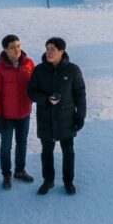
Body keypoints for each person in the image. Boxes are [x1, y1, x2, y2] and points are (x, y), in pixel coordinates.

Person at [27, 37, 86, 196]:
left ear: (61, 51)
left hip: (66, 118)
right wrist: (45, 99)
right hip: (45, 118)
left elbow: (80, 94)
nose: (49, 52)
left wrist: (80, 117)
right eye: (47, 49)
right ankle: (48, 180)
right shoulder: (39, 70)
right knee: (46, 152)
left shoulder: (73, 70)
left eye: (53, 49)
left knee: (68, 152)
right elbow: (31, 92)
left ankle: (68, 181)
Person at [0, 35, 36, 189]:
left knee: (22, 143)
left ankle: (20, 171)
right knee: (6, 145)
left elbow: (36, 84)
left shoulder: (28, 64)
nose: (16, 49)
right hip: (6, 116)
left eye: (18, 45)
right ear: (5, 49)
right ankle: (6, 175)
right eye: (12, 47)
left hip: (24, 113)